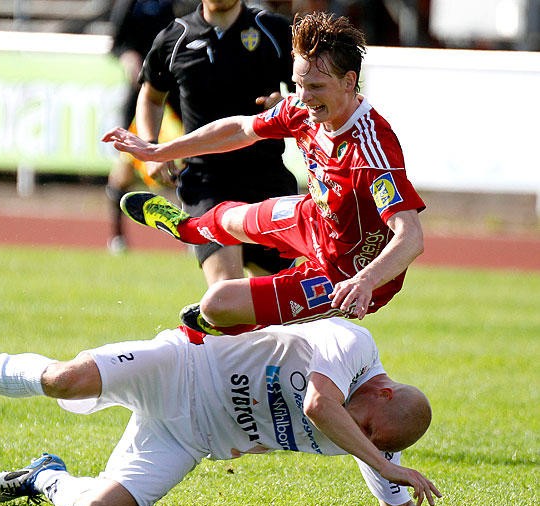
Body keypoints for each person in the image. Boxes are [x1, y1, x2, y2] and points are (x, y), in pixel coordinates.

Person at [0, 318, 480, 506]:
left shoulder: (375, 441)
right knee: (65, 378)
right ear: (383, 389)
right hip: (181, 368)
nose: (366, 443)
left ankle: (42, 478)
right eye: (373, 431)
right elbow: (320, 405)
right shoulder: (352, 345)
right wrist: (377, 459)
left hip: (192, 438)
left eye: (377, 445)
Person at [102, 11, 425, 336]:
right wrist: (158, 150)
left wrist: (365, 280)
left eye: (315, 86)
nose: (304, 98)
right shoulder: (304, 109)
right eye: (298, 85)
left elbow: (411, 236)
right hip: (313, 220)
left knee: (217, 303)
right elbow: (240, 129)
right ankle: (189, 230)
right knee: (228, 221)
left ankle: (231, 325)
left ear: (349, 81)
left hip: (347, 274)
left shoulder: (372, 151)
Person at [131, 0, 298, 285]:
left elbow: (312, 94)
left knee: (272, 301)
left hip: (268, 178)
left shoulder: (274, 30)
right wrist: (151, 145)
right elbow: (150, 95)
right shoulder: (175, 37)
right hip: (206, 182)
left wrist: (288, 104)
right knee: (227, 293)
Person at [105, 0, 192, 253]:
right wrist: (126, 55)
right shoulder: (129, 3)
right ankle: (117, 237)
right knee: (124, 165)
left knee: (190, 158)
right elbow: (116, 42)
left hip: (175, 90)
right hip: (142, 91)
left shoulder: (176, 4)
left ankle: (192, 230)